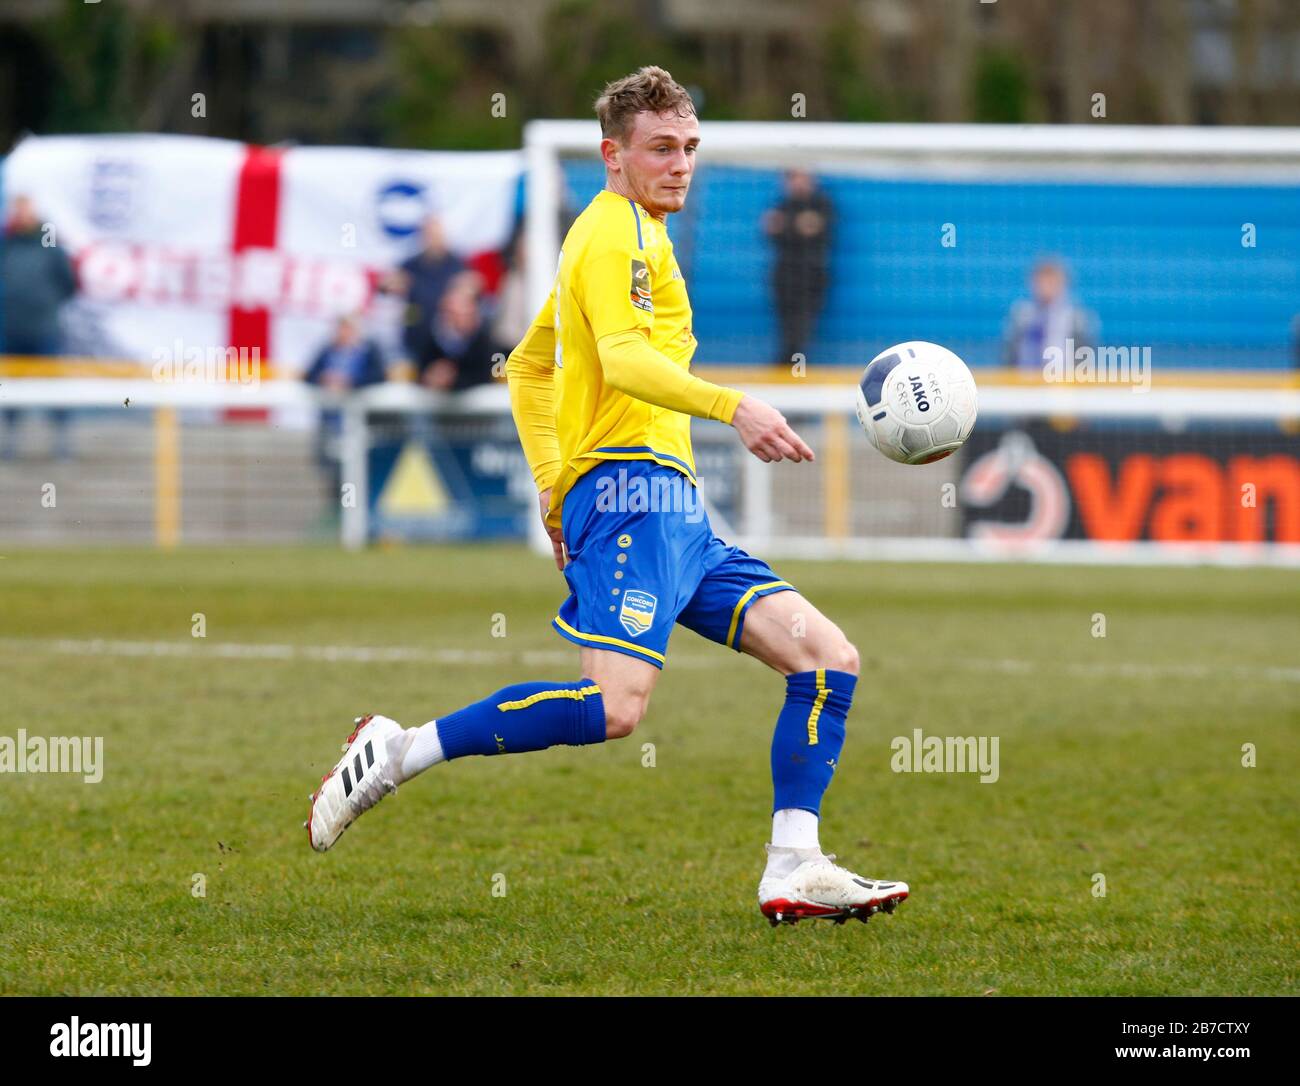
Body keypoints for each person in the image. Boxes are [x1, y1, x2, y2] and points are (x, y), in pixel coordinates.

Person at [305, 66, 908, 927]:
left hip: (676, 511)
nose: (681, 164)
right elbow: (622, 361)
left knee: (827, 661)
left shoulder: (634, 237)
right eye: (661, 148)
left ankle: (795, 863)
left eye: (691, 147)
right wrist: (732, 406)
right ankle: (399, 751)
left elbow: (528, 363)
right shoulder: (611, 233)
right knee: (615, 709)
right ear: (612, 157)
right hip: (629, 497)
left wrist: (553, 488)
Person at [1, 194, 77, 459]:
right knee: (11, 390)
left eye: (26, 209)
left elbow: (68, 283)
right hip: (11, 330)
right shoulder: (7, 245)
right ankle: (11, 442)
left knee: (53, 386)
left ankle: (61, 442)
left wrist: (45, 304)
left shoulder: (50, 246)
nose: (22, 215)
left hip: (44, 329)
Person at [303, 314, 389, 503]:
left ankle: (357, 515)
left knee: (360, 473)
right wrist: (324, 379)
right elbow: (309, 375)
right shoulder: (327, 351)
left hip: (360, 425)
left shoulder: (369, 351)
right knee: (335, 474)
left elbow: (379, 378)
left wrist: (351, 383)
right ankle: (340, 513)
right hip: (332, 424)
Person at [762, 169, 834, 366]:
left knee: (802, 323)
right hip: (784, 274)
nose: (798, 183)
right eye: (792, 178)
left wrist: (786, 226)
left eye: (802, 177)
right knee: (785, 321)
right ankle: (788, 363)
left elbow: (811, 227)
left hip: (811, 275)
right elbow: (771, 228)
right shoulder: (782, 204)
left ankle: (796, 365)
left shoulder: (822, 204)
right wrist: (796, 225)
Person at [1004, 258, 1097, 375]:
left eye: (1051, 282)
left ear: (1062, 284)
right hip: (1026, 383)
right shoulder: (1021, 316)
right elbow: (1009, 355)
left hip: (1063, 382)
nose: (1046, 288)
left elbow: (1085, 355)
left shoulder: (1075, 318)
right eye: (1041, 282)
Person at [415, 274, 504, 393]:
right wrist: (430, 377)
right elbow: (419, 371)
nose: (461, 313)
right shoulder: (430, 335)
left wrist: (453, 380)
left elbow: (493, 376)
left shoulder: (490, 340)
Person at [399, 214, 465, 363]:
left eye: (436, 235)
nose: (433, 240)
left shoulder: (457, 265)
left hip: (448, 341)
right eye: (429, 235)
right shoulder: (410, 266)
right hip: (416, 337)